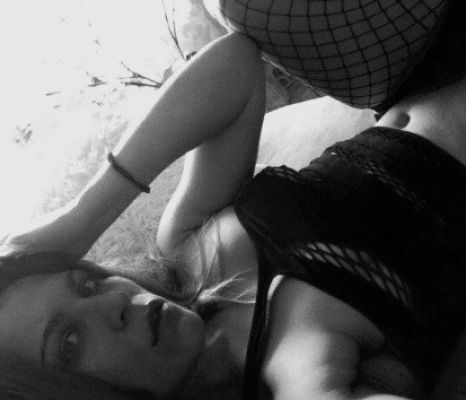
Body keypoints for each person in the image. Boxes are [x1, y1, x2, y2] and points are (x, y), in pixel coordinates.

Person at [0, 3, 465, 400]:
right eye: (69, 343)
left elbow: (236, 64)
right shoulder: (296, 376)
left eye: (85, 285)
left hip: (428, 66)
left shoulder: (187, 248)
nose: (113, 302)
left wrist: (79, 221)